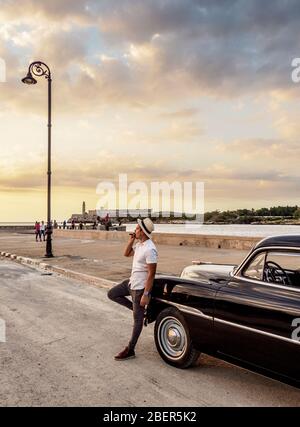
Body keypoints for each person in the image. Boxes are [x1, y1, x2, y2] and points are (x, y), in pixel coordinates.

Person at [107, 218, 157, 360]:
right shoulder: (140, 244)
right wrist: (131, 240)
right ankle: (140, 312)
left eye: (136, 228)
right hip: (131, 283)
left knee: (137, 321)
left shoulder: (150, 249)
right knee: (112, 294)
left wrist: (146, 294)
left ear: (142, 231)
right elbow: (126, 254)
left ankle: (130, 349)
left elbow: (151, 273)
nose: (134, 230)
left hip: (140, 288)